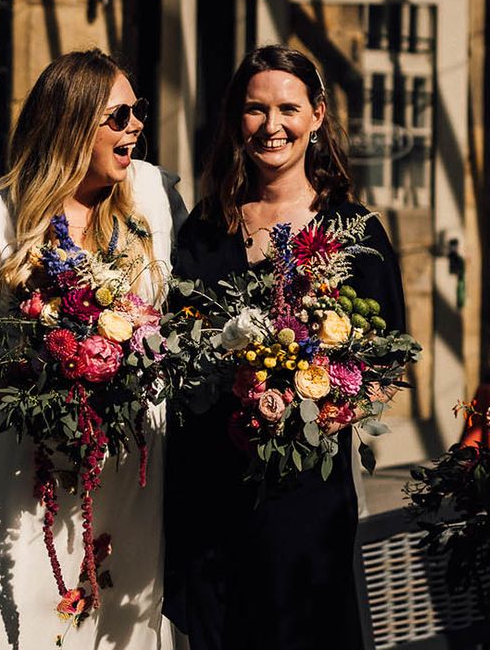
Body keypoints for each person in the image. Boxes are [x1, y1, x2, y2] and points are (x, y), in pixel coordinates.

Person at [0, 49, 178, 650]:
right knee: (9, 619)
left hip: (127, 468)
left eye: (138, 111)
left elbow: (163, 326)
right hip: (19, 474)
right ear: (73, 126)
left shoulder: (147, 197)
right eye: (119, 116)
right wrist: (41, 364)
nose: (136, 127)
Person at [163, 45, 406, 650]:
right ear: (235, 120)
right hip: (213, 486)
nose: (271, 127)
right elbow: (174, 346)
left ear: (317, 116)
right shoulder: (205, 229)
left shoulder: (355, 233)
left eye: (288, 109)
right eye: (254, 109)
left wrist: (329, 400)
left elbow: (387, 362)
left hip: (306, 491)